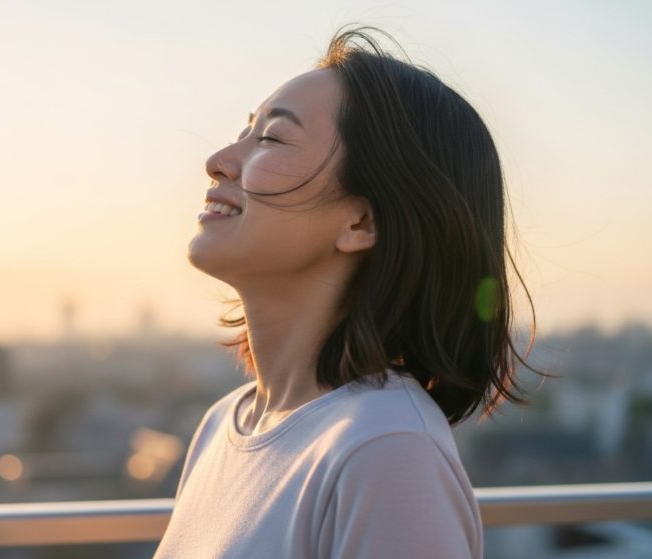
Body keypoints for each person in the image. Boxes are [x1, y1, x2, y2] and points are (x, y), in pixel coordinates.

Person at [153, 25, 548, 558]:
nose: (220, 158)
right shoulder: (226, 422)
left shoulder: (387, 454)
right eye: (246, 130)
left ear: (361, 221)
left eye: (270, 138)